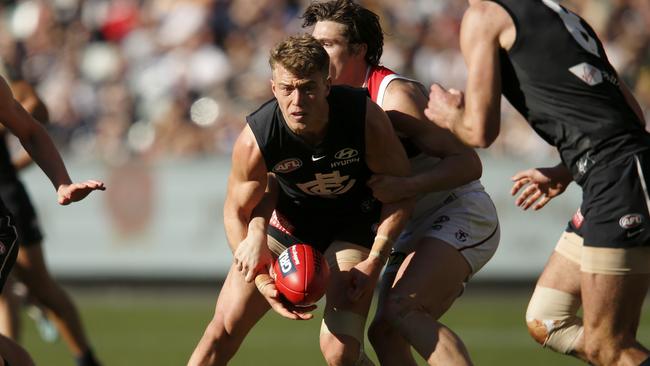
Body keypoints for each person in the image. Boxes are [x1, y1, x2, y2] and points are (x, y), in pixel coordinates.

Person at [426, 1, 650, 365]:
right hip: (613, 172)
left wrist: (449, 116)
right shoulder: (560, 14)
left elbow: (480, 131)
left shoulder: (485, 16)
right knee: (548, 319)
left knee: (609, 346)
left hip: (619, 176)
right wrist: (566, 169)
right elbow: (632, 114)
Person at [188, 34, 413, 366]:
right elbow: (235, 211)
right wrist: (260, 269)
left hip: (352, 228)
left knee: (339, 353)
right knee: (220, 331)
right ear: (273, 87)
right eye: (287, 89)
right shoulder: (257, 138)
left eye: (308, 87)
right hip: (290, 225)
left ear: (327, 84)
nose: (297, 101)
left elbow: (402, 190)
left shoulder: (363, 117)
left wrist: (375, 260)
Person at [302, 1, 500, 365]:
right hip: (404, 225)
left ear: (358, 49)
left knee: (403, 310)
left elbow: (468, 163)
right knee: (384, 333)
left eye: (327, 44)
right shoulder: (320, 99)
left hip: (457, 211)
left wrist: (407, 188)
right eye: (314, 43)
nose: (315, 52)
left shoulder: (394, 96)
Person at [0, 75, 105, 365]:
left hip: (5, 198)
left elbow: (33, 120)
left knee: (38, 286)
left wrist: (62, 183)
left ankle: (86, 360)